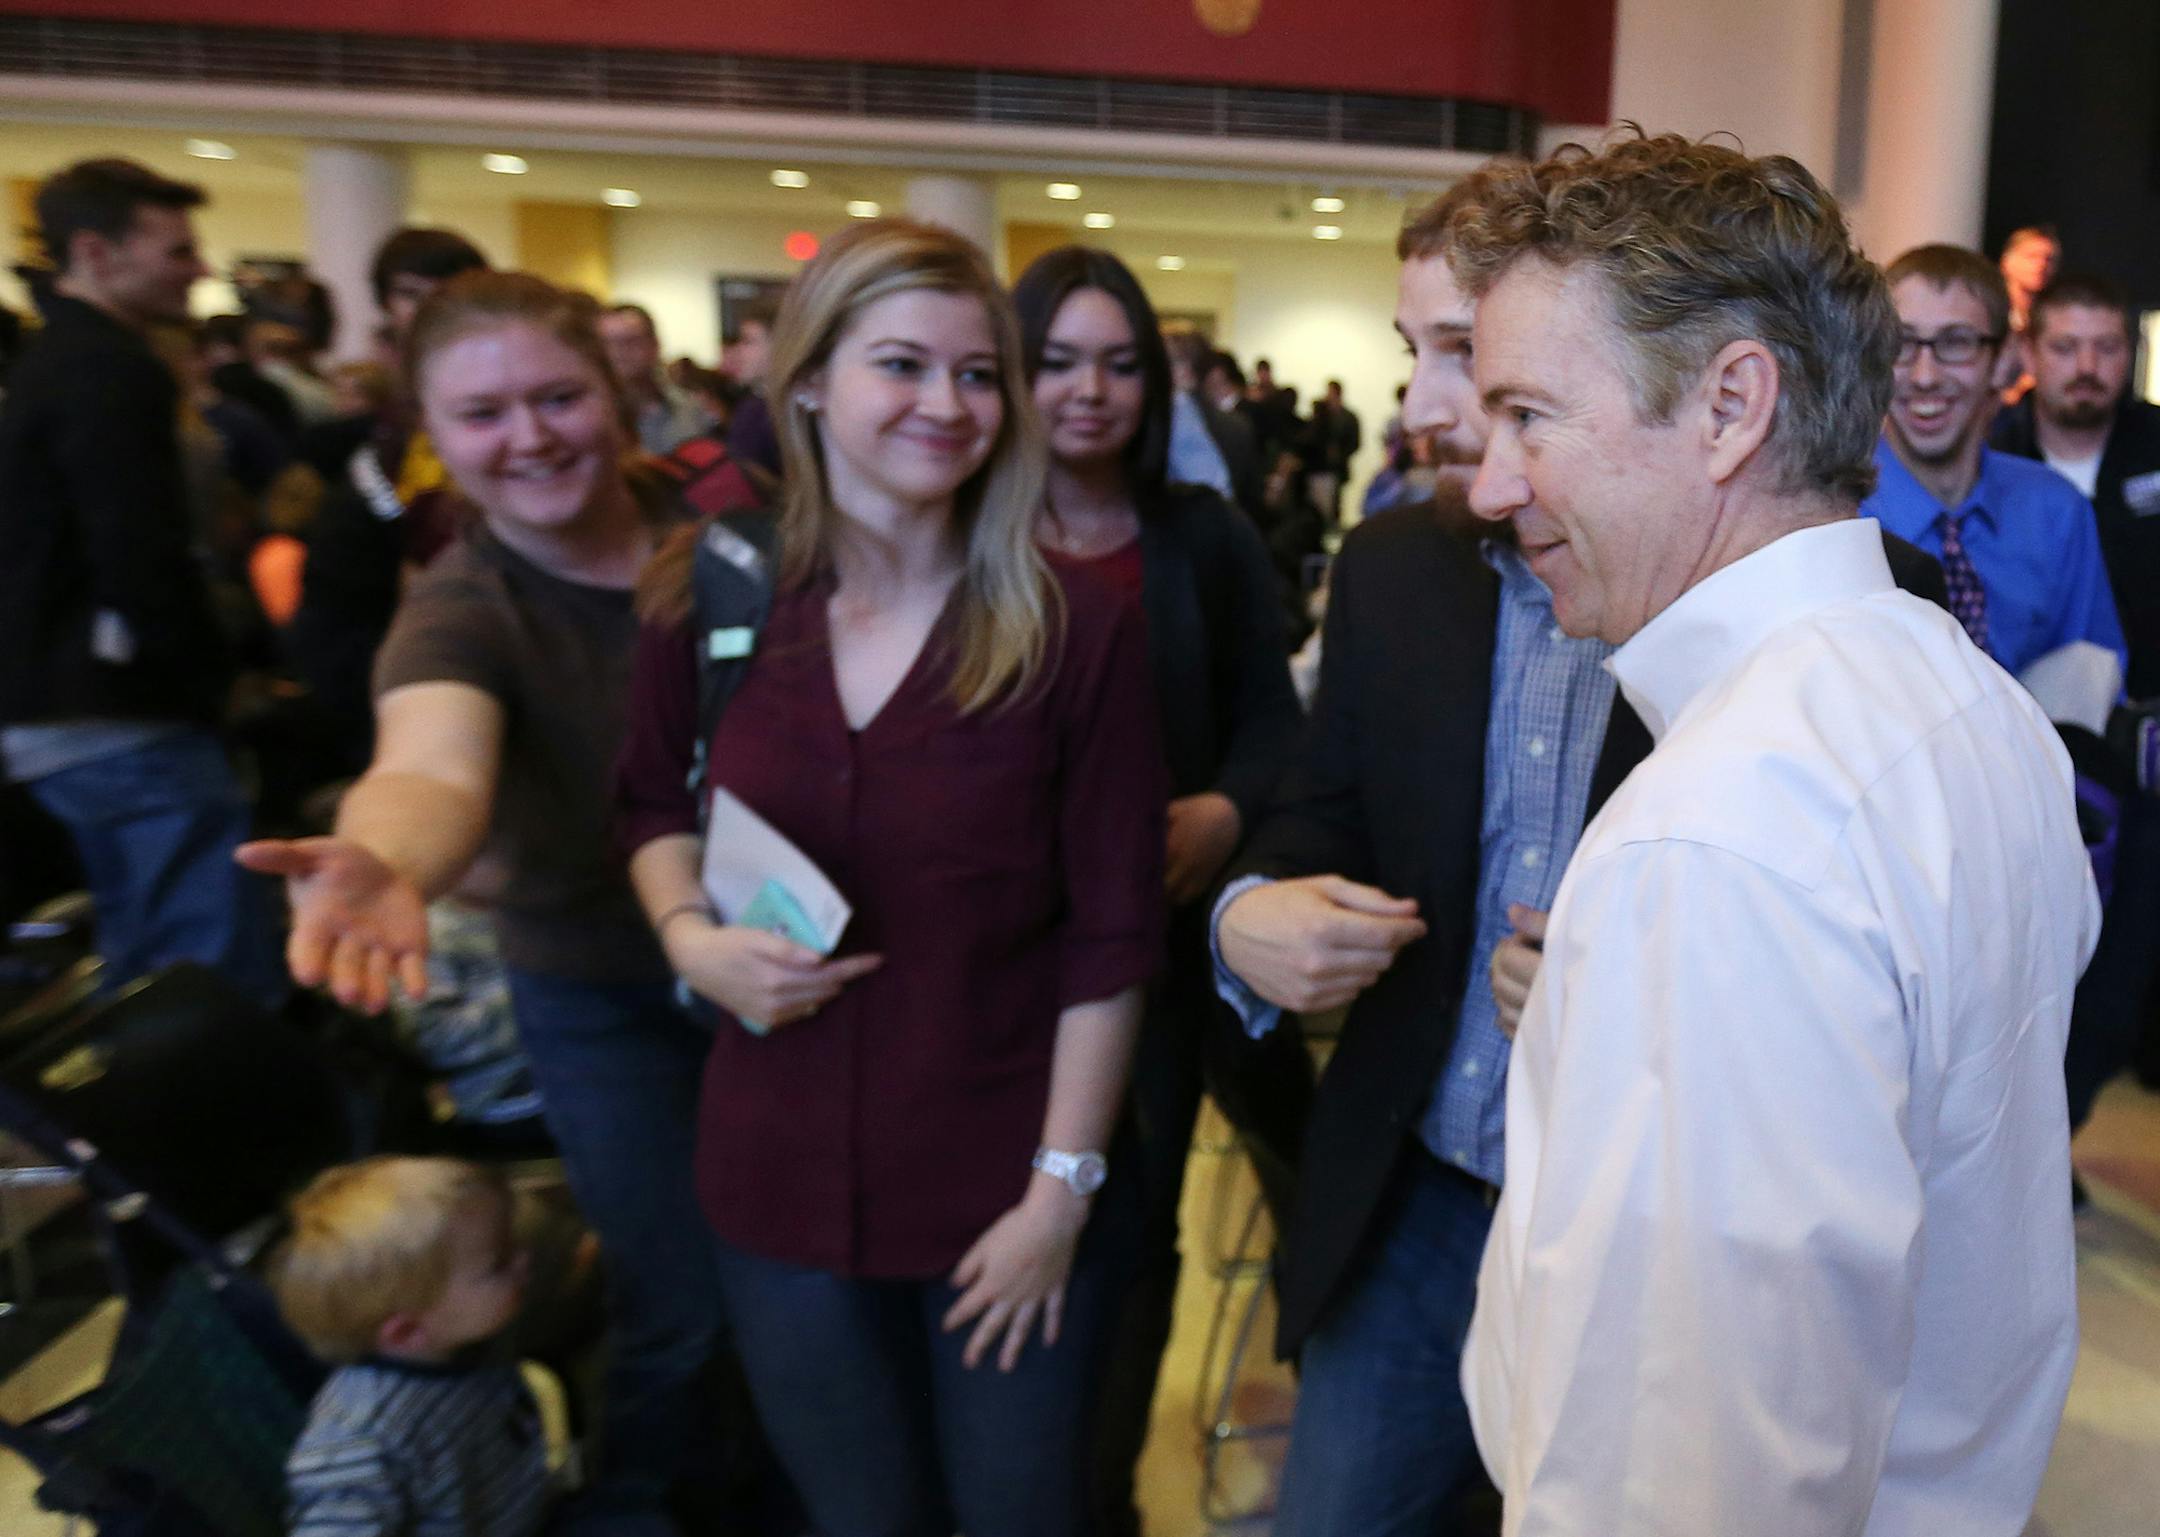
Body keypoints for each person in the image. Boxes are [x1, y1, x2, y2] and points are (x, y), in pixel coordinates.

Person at [1212, 177, 1950, 1537]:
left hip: (1649, 1245)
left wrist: (1631, 1007)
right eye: (1426, 357)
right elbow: (1324, 805)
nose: (1440, 417)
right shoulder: (1391, 569)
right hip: (1421, 1190)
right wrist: (1247, 905)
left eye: (1499, 389)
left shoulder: (1843, 612)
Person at [1437, 132, 2095, 1536]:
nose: (1490, 485)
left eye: (1528, 417)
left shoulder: (1719, 837)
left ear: (1732, 405)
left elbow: (1691, 1479)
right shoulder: (1961, 700)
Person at [613, 218, 1165, 1537]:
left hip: (999, 1188)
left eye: (978, 375)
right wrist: (687, 933)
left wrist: (1058, 1195)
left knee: (1020, 1513)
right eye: (903, 365)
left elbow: (1112, 931)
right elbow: (647, 802)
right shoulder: (717, 588)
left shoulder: (1074, 624)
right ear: (810, 380)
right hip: (776, 1176)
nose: (947, 404)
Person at [239, 271, 726, 1537]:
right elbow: (428, 766)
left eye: (559, 396)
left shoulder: (729, 522)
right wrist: (385, 861)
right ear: (432, 436)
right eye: (483, 414)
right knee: (681, 1298)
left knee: (817, 1277)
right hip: (609, 993)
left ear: (617, 394)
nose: (531, 438)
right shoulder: (461, 606)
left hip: (785, 960)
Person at [1010, 245, 1310, 1537]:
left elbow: (1274, 722)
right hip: (998, 955)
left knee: (1132, 1232)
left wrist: (1229, 811)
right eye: (1060, 361)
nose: (1091, 391)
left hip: (1167, 942)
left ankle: (1102, 1499)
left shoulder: (1200, 536)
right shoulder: (961, 527)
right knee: (1007, 1221)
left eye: (1121, 363)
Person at [0, 157, 285, 1009]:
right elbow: (137, 552)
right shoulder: (103, 369)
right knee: (203, 977)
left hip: (72, 710)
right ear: (96, 250)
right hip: (120, 715)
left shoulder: (62, 360)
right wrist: (211, 682)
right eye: (177, 250)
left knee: (147, 960)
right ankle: (214, 1139)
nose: (200, 268)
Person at [1993, 271, 2160, 1134]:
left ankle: (2060, 1132)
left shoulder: (2157, 449)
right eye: (2067, 346)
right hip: (2019, 763)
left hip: (2144, 764)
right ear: (2029, 351)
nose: (2087, 366)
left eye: (2107, 347)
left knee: (2119, 975)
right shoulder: (1987, 452)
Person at [1859, 244, 2125, 681]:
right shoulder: (1833, 513)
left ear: (2003, 360)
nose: (1925, 376)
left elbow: (2088, 685)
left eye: (1957, 343)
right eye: (1901, 344)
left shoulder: (2055, 512)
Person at [286, 225, 488, 774]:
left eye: (448, 289)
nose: (431, 309)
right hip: (389, 663)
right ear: (385, 307)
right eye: (411, 294)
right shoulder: (374, 440)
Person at [274, 1156, 551, 1537]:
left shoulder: (463, 1343)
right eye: (499, 1262)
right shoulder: (361, 1441)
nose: (523, 1260)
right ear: (407, 1332)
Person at [598, 303, 716, 455]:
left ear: (654, 345)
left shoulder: (693, 408)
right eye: (608, 344)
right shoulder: (591, 417)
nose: (617, 353)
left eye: (630, 341)